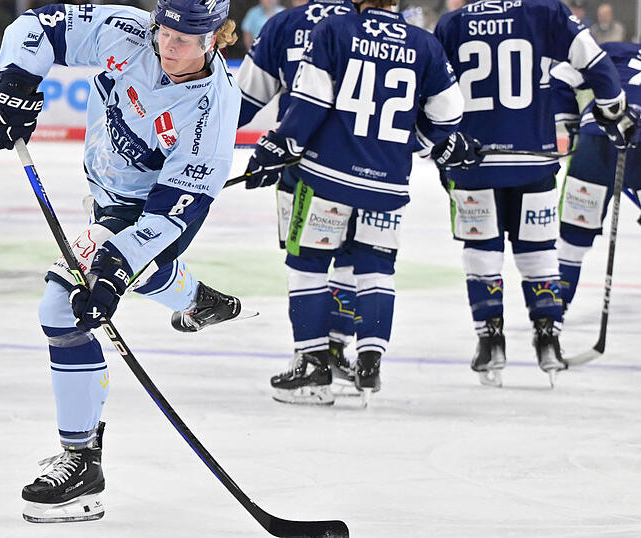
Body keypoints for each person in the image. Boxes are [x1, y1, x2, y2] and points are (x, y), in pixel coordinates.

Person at [0, 0, 243, 523]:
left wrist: (115, 267)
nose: (167, 45)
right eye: (164, 31)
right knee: (135, 279)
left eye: (184, 39)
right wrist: (16, 81)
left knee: (63, 309)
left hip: (147, 211)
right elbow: (40, 25)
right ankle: (197, 299)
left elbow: (171, 216)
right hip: (105, 186)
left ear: (214, 39)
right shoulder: (130, 31)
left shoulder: (211, 112)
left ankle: (82, 462)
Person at [244, 0, 465, 405]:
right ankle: (367, 362)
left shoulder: (334, 30)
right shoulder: (424, 43)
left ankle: (313, 368)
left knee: (308, 264)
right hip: (388, 184)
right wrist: (414, 144)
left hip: (325, 177)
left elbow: (311, 101)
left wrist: (281, 145)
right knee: (376, 267)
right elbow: (449, 113)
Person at [433, 0, 637, 387]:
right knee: (538, 251)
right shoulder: (545, 11)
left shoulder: (452, 23)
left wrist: (439, 149)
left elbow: (431, 88)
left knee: (481, 249)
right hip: (534, 157)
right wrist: (611, 109)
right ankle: (548, 340)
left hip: (474, 160)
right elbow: (593, 60)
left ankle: (490, 341)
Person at [235, 0, 359, 404]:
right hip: (370, 166)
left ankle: (312, 363)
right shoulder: (371, 23)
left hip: (304, 162)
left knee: (307, 263)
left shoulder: (285, 24)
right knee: (353, 259)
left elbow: (243, 100)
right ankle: (336, 351)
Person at [554, 42, 641, 311]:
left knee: (573, 238)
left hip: (596, 137)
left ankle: (554, 312)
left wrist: (571, 121)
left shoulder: (616, 50)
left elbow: (559, 77)